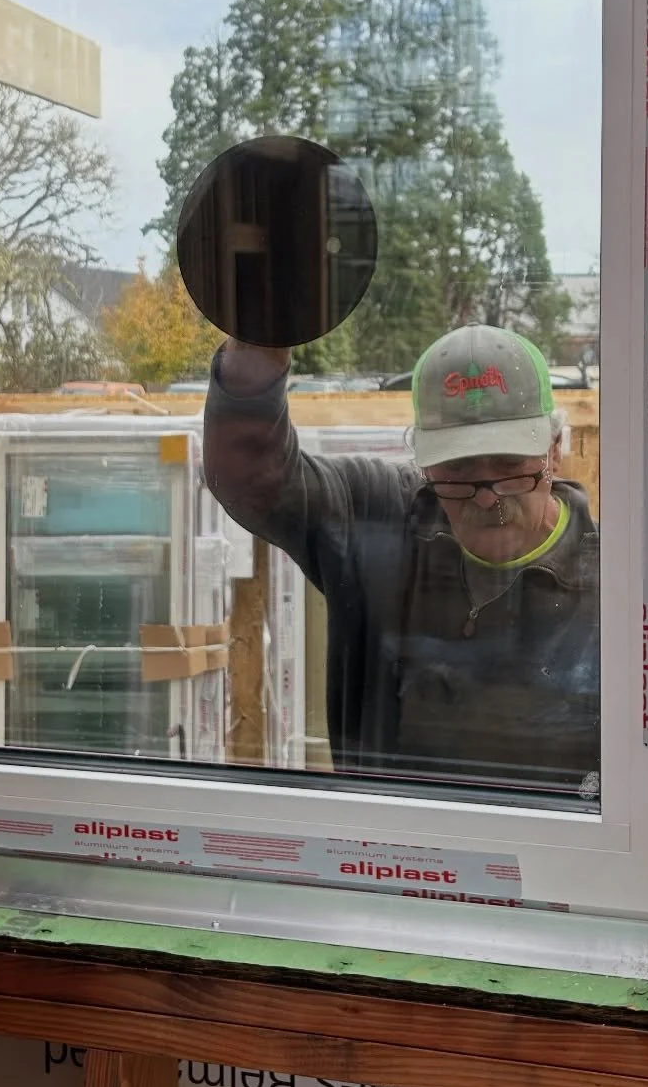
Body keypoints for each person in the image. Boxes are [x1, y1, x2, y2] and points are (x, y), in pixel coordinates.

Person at [204, 323, 600, 796]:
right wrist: (263, 326)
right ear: (425, 464)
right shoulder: (381, 517)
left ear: (554, 451)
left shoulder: (612, 588)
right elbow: (252, 477)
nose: (486, 498)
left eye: (510, 466)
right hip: (392, 841)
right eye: (458, 469)